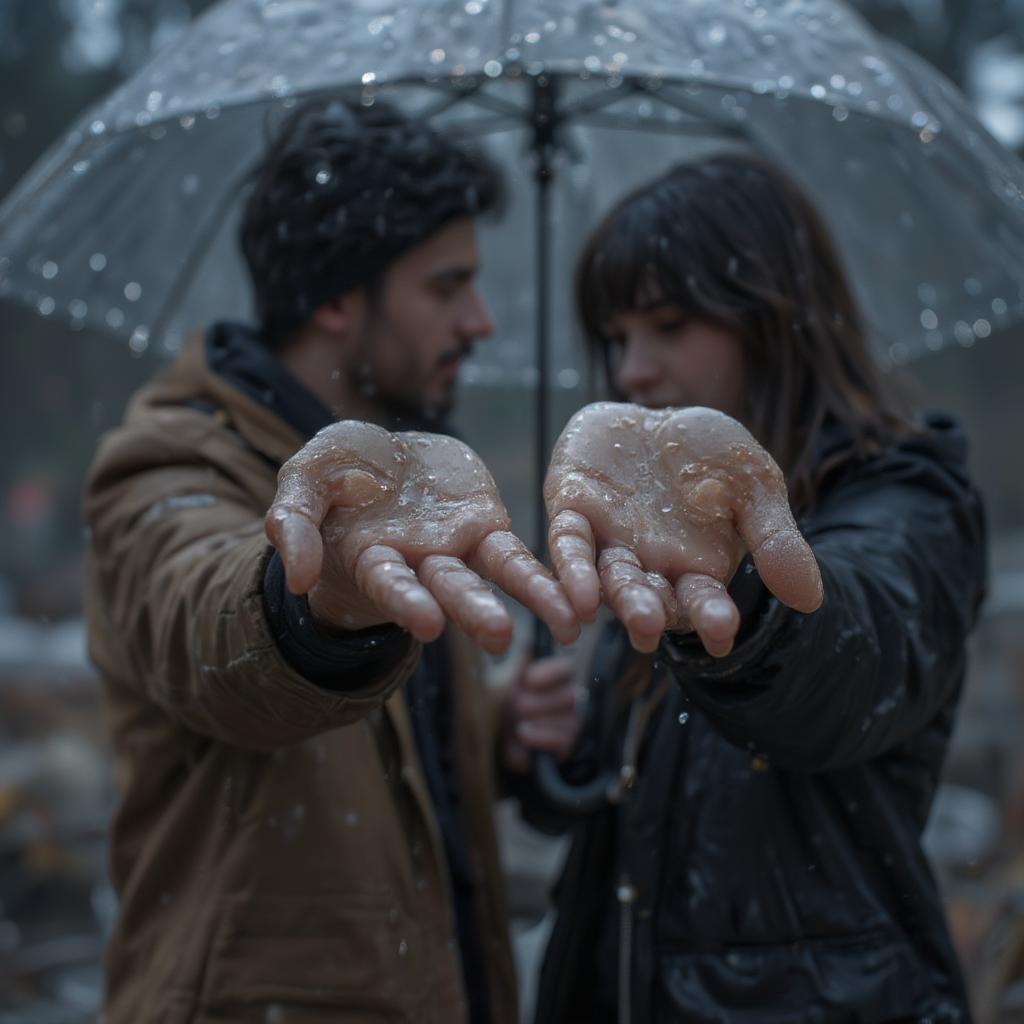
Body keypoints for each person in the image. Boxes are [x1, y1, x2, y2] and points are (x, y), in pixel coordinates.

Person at [83, 97, 582, 1024]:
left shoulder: (407, 482)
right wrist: (313, 600)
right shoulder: (166, 464)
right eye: (446, 285)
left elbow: (384, 765)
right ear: (336, 298)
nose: (479, 321)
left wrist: (488, 734)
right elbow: (205, 624)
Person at [522, 154, 988, 1023]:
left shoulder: (905, 499)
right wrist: (547, 751)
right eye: (617, 337)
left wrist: (744, 586)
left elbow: (847, 663)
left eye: (668, 324)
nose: (631, 371)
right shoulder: (664, 523)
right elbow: (632, 803)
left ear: (773, 322)